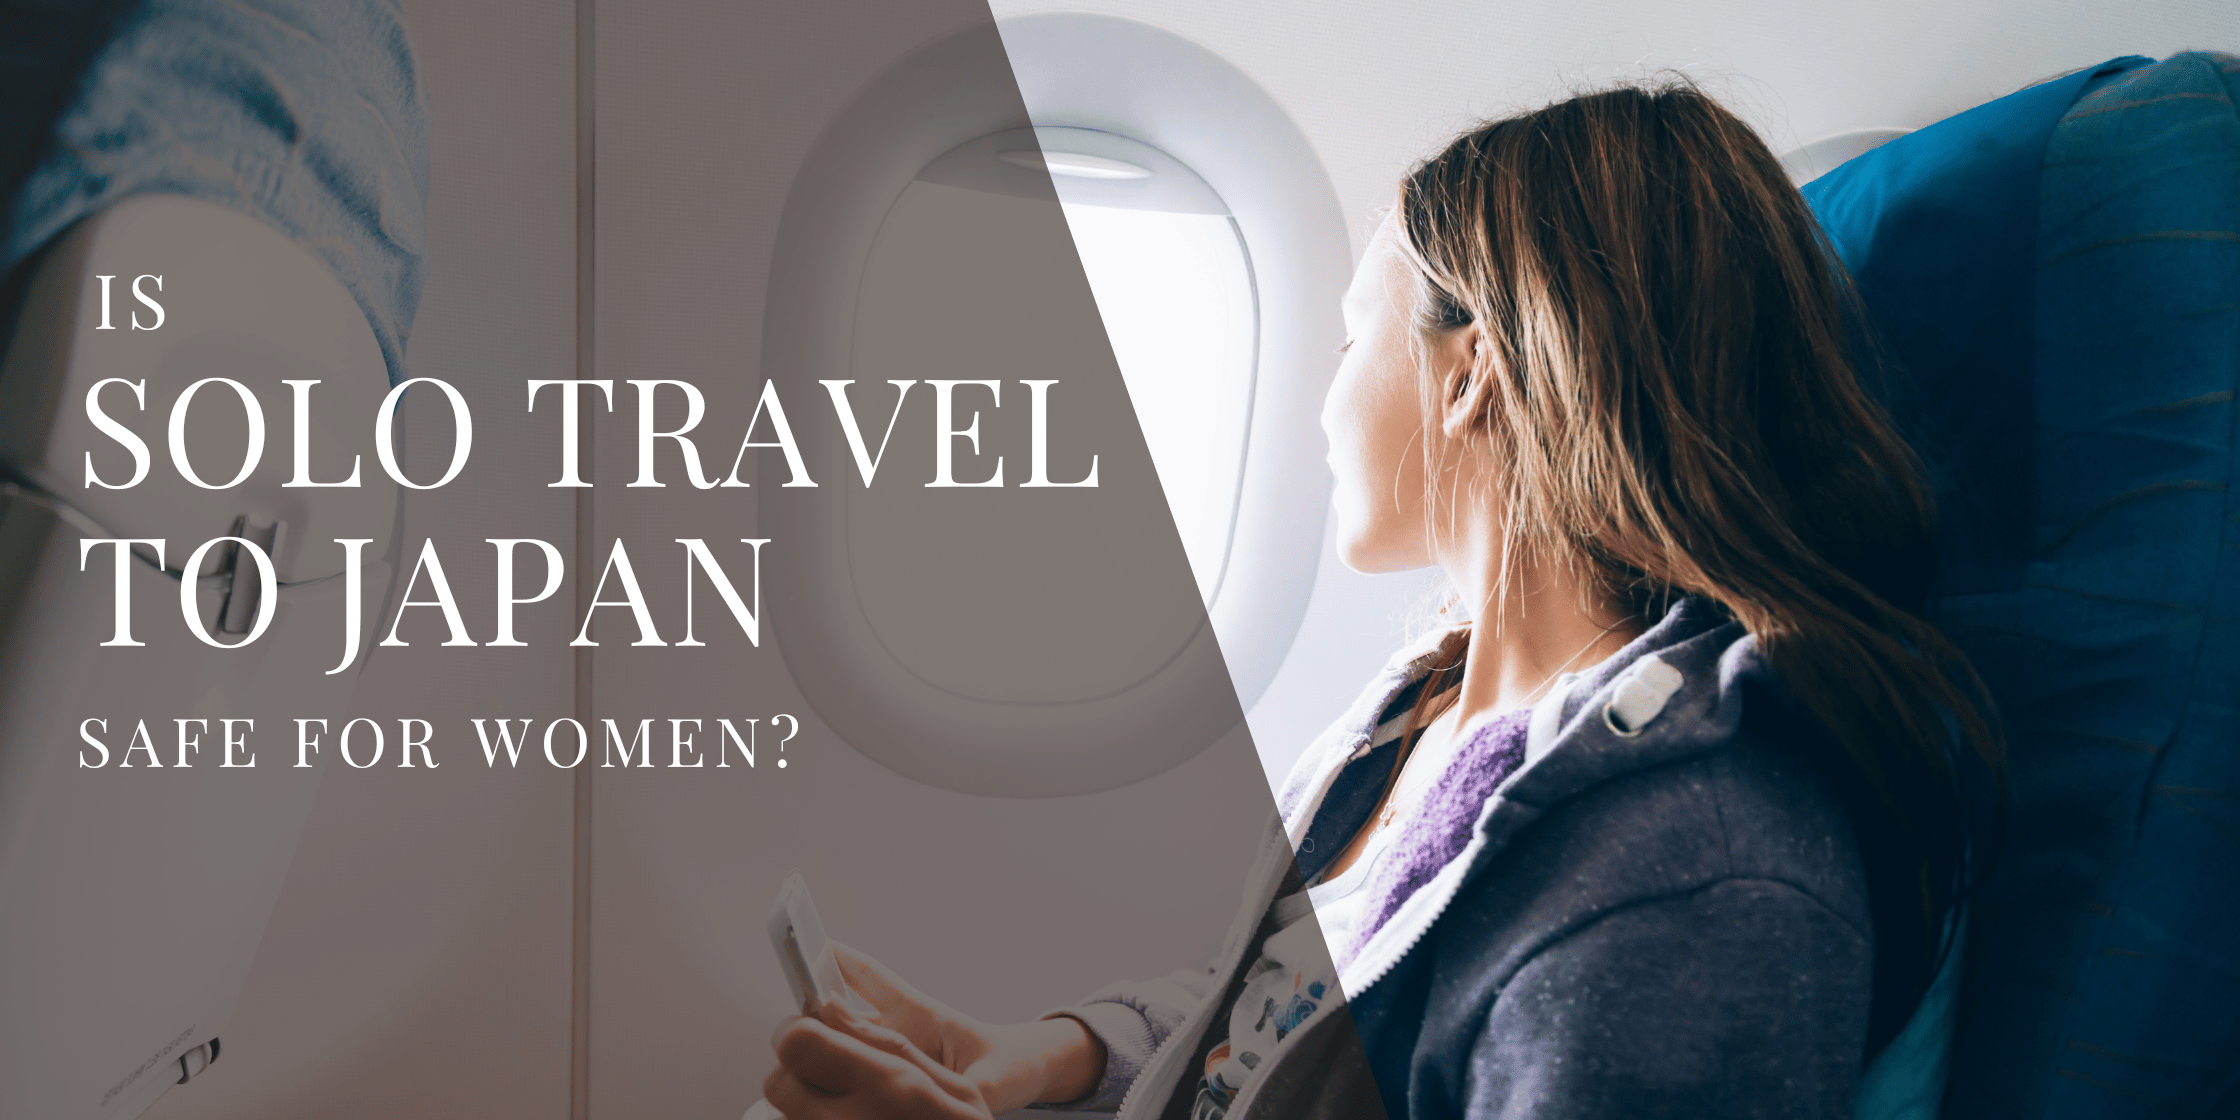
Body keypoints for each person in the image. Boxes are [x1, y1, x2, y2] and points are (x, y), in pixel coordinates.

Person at [759, 78, 1998, 1120]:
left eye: (1353, 336)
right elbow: (1284, 1026)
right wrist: (1051, 1054)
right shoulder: (1423, 713)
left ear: (1470, 373)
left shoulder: (1694, 883)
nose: (1321, 396)